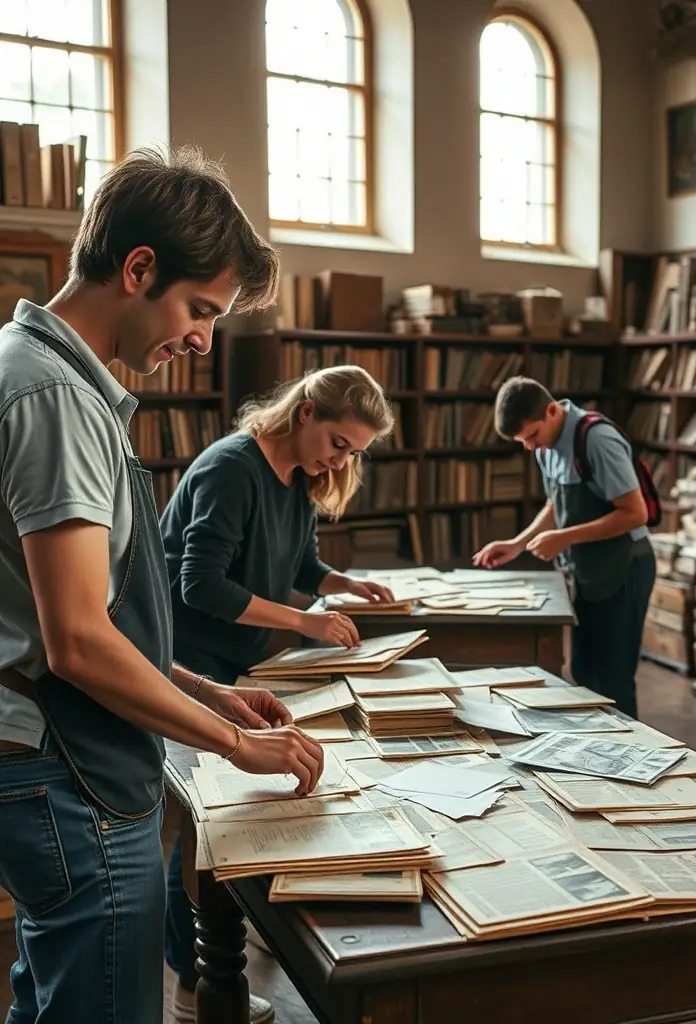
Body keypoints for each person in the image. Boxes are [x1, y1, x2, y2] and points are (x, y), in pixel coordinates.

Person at [0, 146, 326, 1024]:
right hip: (69, 771)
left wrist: (202, 687)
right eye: (199, 309)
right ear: (137, 268)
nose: (201, 339)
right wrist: (229, 742)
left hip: (57, 760)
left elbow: (62, 616)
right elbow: (73, 640)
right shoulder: (55, 397)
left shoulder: (46, 376)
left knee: (55, 999)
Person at [160, 364, 396, 997]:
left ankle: (232, 921)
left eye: (356, 453)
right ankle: (191, 979)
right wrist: (304, 620)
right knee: (200, 823)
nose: (342, 461)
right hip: (187, 662)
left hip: (244, 659)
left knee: (248, 803)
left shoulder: (300, 473)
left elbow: (299, 562)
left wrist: (344, 584)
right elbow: (200, 584)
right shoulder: (231, 467)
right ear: (306, 414)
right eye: (339, 444)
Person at [473, 377, 655, 719]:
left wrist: (565, 537)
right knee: (584, 674)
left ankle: (628, 758)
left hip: (624, 568)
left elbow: (635, 513)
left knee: (613, 680)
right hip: (587, 570)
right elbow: (556, 505)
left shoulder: (597, 440)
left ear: (552, 411)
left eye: (530, 436)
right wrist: (517, 544)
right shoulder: (544, 446)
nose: (528, 448)